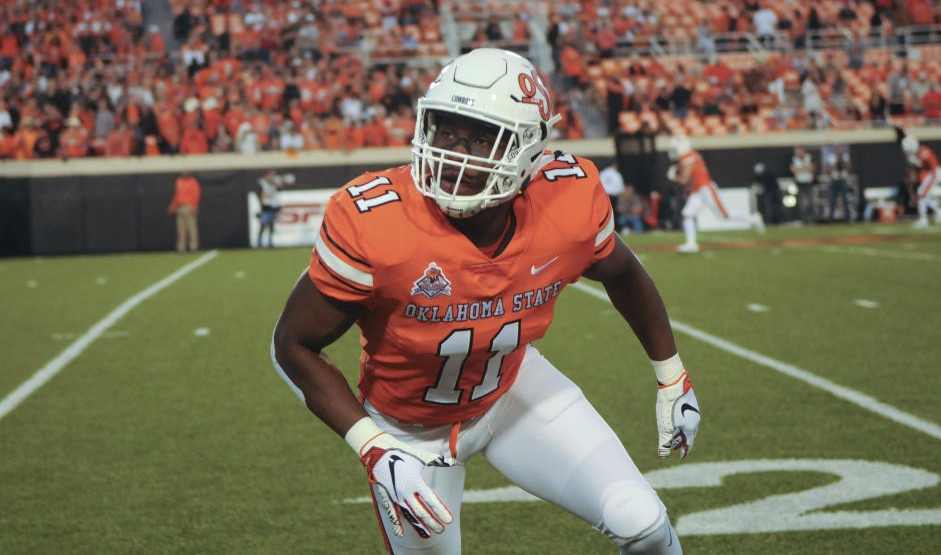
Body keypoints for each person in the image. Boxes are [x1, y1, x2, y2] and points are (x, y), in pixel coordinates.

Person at [271, 48, 699, 555]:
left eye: (482, 137)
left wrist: (672, 374)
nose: (456, 152)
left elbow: (623, 270)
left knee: (642, 521)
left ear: (528, 150)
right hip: (406, 432)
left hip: (510, 390)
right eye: (447, 131)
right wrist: (374, 447)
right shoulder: (374, 221)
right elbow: (292, 345)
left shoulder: (568, 199)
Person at [667, 135, 764, 254]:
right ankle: (691, 244)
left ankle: (753, 218)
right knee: (687, 214)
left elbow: (684, 180)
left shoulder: (688, 157)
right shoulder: (690, 156)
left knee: (724, 215)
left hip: (705, 189)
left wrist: (673, 177)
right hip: (697, 190)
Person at [901, 134, 941, 227]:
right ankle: (940, 211)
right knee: (923, 195)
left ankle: (924, 219)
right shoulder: (915, 155)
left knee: (921, 193)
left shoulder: (924, 152)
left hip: (936, 174)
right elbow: (921, 168)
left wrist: (927, 186)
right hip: (930, 174)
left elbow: (934, 169)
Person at [168, 171, 200, 252]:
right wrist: (173, 205)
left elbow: (196, 194)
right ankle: (181, 247)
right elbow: (177, 194)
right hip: (180, 207)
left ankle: (193, 247)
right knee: (181, 229)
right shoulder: (179, 181)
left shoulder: (192, 181)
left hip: (188, 206)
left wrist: (194, 206)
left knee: (191, 228)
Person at [823, 146, 853, 223]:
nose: (838, 151)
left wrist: (842, 162)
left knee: (845, 201)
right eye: (837, 149)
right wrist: (835, 163)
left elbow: (849, 168)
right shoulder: (831, 158)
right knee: (832, 200)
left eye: (839, 149)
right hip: (834, 180)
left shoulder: (845, 157)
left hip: (843, 180)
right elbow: (828, 170)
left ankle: (848, 219)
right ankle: (831, 220)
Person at [257, 169, 285, 248]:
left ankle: (270, 243)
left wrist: (279, 182)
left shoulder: (274, 184)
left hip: (272, 208)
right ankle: (259, 243)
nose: (272, 177)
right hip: (265, 208)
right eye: (271, 175)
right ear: (267, 175)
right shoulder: (262, 183)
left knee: (271, 227)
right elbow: (260, 195)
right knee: (262, 226)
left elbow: (281, 188)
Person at [789, 146, 817, 223]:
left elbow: (812, 167)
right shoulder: (794, 159)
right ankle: (804, 220)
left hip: (808, 182)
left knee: (811, 202)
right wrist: (805, 168)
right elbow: (793, 170)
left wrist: (800, 169)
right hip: (800, 183)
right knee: (801, 203)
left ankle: (812, 220)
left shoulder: (809, 157)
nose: (799, 153)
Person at [599, 161, 626, 230]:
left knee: (605, 213)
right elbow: (620, 188)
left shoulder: (603, 173)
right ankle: (615, 228)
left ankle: (604, 228)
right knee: (613, 214)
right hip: (614, 196)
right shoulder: (616, 174)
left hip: (604, 195)